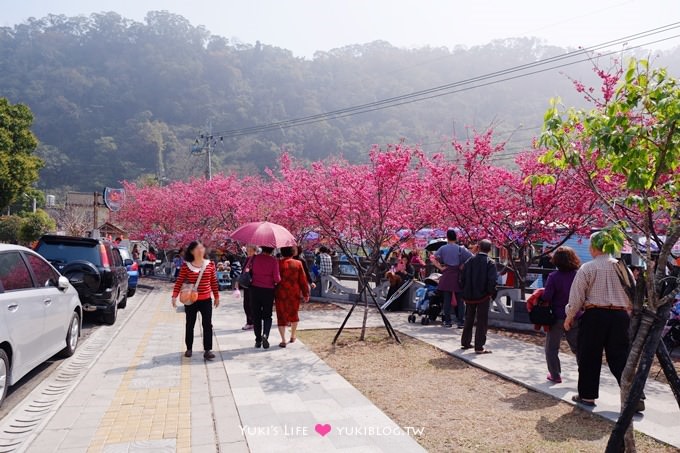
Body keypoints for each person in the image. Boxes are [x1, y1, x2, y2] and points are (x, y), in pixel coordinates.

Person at [565, 232, 633, 407]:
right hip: (619, 316)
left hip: (594, 315)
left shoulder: (588, 268)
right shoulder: (623, 268)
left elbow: (576, 298)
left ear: (595, 247)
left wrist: (569, 316)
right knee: (620, 357)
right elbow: (633, 296)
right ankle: (634, 396)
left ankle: (587, 396)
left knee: (589, 356)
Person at [171, 240, 220, 360]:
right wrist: (174, 296)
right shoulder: (186, 266)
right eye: (198, 249)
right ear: (192, 251)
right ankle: (189, 348)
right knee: (190, 324)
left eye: (202, 248)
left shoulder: (210, 265)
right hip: (191, 300)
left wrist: (216, 296)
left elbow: (213, 282)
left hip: (206, 299)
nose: (200, 250)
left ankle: (208, 350)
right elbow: (179, 281)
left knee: (207, 325)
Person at [541, 246, 580, 384]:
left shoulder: (553, 277)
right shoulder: (578, 275)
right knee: (578, 348)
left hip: (557, 316)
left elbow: (547, 296)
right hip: (576, 315)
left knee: (552, 348)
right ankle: (584, 372)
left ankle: (555, 375)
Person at [460, 239, 497, 354]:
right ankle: (479, 346)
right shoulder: (490, 262)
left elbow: (462, 278)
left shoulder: (469, 261)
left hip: (469, 295)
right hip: (483, 296)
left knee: (469, 318)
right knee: (482, 321)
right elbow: (492, 281)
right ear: (490, 250)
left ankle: (465, 342)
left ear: (478, 247)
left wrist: (464, 291)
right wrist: (491, 293)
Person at [431, 229, 472, 327]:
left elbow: (432, 258)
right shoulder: (461, 249)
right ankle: (461, 322)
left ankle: (448, 321)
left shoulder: (443, 248)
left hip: (447, 273)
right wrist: (463, 265)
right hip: (458, 275)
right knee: (460, 301)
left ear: (447, 237)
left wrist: (440, 267)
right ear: (456, 237)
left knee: (447, 300)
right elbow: (472, 258)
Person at [275, 246, 311, 347]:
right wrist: (305, 293)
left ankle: (283, 339)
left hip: (280, 292)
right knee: (293, 313)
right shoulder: (298, 263)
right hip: (294, 292)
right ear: (292, 253)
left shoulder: (277, 263)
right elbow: (303, 280)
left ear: (282, 252)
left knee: (281, 315)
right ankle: (293, 336)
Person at [249, 246, 281, 349]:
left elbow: (248, 271)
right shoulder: (273, 261)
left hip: (255, 289)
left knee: (256, 316)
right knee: (267, 315)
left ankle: (258, 340)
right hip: (268, 291)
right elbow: (277, 278)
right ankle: (265, 335)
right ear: (272, 250)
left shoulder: (254, 258)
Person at [240, 245, 257, 331]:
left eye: (250, 251)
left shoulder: (256, 259)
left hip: (253, 285)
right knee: (246, 304)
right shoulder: (247, 259)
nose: (249, 252)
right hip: (247, 285)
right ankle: (249, 321)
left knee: (252, 304)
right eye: (248, 250)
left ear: (255, 251)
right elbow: (243, 270)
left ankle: (253, 322)